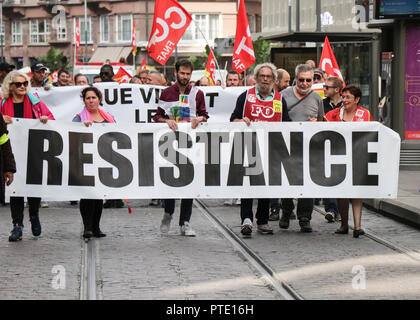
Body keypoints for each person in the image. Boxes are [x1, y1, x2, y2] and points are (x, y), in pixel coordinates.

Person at [230, 63, 291, 237]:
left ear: (274, 80)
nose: (265, 79)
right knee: (248, 184)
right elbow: (232, 119)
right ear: (256, 78)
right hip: (248, 146)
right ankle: (246, 219)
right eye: (262, 76)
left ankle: (262, 221)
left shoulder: (279, 99)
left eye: (268, 76)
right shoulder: (245, 96)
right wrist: (240, 122)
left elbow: (287, 123)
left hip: (271, 148)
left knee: (265, 186)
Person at [153, 59, 209, 237]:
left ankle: (185, 222)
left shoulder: (198, 93)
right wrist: (167, 120)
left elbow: (204, 115)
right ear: (175, 73)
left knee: (189, 183)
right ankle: (168, 213)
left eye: (188, 74)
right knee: (170, 182)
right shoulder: (166, 93)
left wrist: (199, 119)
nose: (185, 77)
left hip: (190, 144)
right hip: (170, 144)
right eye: (182, 73)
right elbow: (157, 117)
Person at [1, 70, 55, 241]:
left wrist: (45, 119)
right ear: (10, 86)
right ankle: (17, 225)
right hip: (12, 153)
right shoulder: (3, 104)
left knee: (33, 186)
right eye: (18, 84)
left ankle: (34, 214)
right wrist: (2, 119)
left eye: (25, 83)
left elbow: (52, 119)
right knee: (15, 188)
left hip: (33, 151)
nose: (23, 87)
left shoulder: (36, 103)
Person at [280, 64, 324, 233]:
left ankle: (305, 216)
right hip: (287, 146)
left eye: (308, 80)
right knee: (286, 180)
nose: (305, 83)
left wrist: (317, 124)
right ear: (295, 79)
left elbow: (321, 121)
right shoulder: (283, 95)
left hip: (308, 147)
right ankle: (286, 209)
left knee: (308, 181)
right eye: (301, 80)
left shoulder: (317, 98)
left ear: (313, 80)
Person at [324, 85, 372, 238]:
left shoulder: (365, 114)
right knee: (342, 192)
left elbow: (372, 133)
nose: (344, 100)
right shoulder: (334, 114)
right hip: (338, 158)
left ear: (357, 99)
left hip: (358, 157)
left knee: (357, 191)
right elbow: (322, 128)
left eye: (348, 97)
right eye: (343, 97)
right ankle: (344, 224)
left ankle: (357, 227)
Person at [73, 86, 115, 239]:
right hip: (86, 161)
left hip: (103, 160)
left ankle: (96, 227)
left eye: (93, 98)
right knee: (87, 195)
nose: (91, 101)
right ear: (84, 101)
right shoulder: (79, 118)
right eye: (88, 98)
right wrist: (81, 128)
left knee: (99, 195)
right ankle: (87, 227)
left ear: (99, 99)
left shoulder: (109, 117)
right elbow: (72, 136)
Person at [99, 65, 124, 209]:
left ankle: (118, 197)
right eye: (101, 74)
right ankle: (108, 198)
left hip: (117, 132)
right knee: (106, 166)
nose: (103, 76)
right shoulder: (95, 89)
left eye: (106, 74)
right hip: (101, 132)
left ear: (112, 74)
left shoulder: (118, 88)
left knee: (118, 165)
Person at [321, 76, 344, 222]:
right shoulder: (321, 103)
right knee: (328, 178)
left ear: (336, 90)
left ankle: (340, 210)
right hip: (325, 146)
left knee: (340, 178)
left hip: (342, 148)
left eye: (327, 87)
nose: (324, 89)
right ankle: (331, 209)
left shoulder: (346, 104)